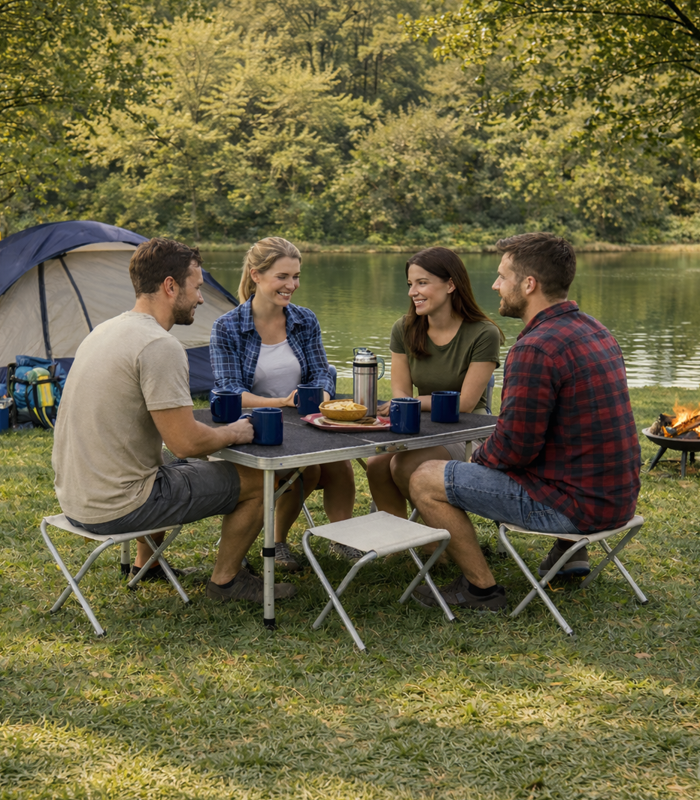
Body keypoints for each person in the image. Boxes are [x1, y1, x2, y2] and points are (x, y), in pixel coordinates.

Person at [52, 237, 296, 605]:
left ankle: (145, 565)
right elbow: (187, 444)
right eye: (197, 287)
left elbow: (173, 445)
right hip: (118, 507)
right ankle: (227, 583)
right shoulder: (158, 346)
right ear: (170, 286)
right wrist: (236, 431)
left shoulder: (106, 330)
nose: (200, 298)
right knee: (263, 479)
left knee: (167, 464)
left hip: (76, 499)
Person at [408, 232, 641, 611]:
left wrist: (473, 464)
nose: (496, 285)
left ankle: (480, 590)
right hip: (618, 498)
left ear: (529, 284)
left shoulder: (535, 347)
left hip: (574, 506)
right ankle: (570, 556)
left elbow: (515, 448)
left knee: (426, 477)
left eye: (503, 276)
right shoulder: (595, 329)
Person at [210, 237, 356, 572]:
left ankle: (342, 538)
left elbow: (321, 371)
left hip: (302, 422)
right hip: (252, 429)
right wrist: (281, 402)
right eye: (283, 277)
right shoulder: (227, 327)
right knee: (308, 469)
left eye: (296, 276)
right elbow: (229, 390)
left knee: (339, 464)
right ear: (256, 275)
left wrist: (321, 394)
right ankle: (275, 543)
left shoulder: (305, 320)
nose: (292, 285)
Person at [366, 246, 503, 518]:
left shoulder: (484, 333)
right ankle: (399, 541)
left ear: (451, 284)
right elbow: (401, 392)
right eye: (410, 284)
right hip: (421, 426)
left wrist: (411, 402)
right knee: (377, 463)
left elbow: (465, 403)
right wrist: (406, 402)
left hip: (467, 431)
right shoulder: (404, 328)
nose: (412, 292)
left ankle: (435, 546)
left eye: (422, 283)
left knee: (403, 466)